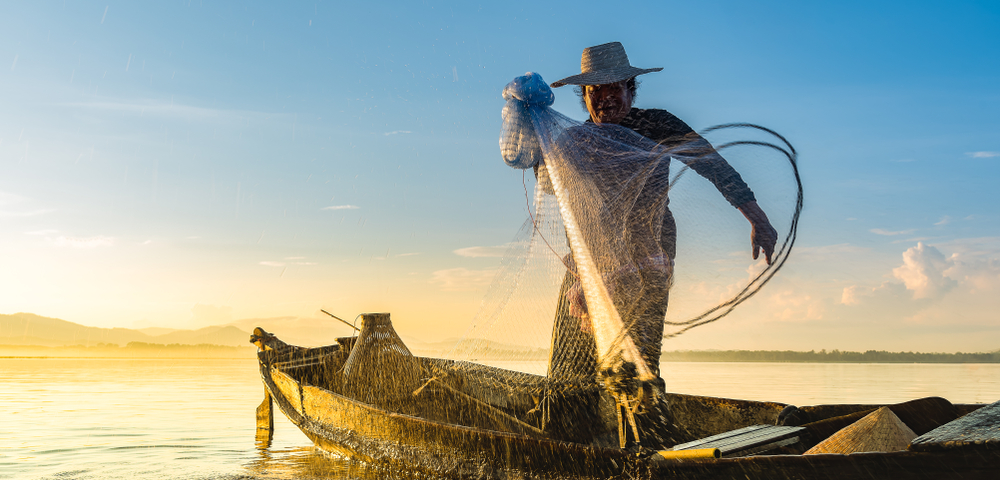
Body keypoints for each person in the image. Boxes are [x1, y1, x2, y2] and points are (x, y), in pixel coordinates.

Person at [538, 42, 778, 446]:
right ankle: (563, 444)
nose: (606, 97)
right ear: (584, 97)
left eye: (615, 87)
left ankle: (645, 449)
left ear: (632, 90)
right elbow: (550, 189)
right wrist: (535, 142)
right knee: (569, 362)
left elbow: (712, 164)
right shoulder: (573, 139)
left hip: (646, 258)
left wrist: (757, 218)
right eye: (595, 91)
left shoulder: (658, 124)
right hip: (588, 263)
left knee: (638, 358)